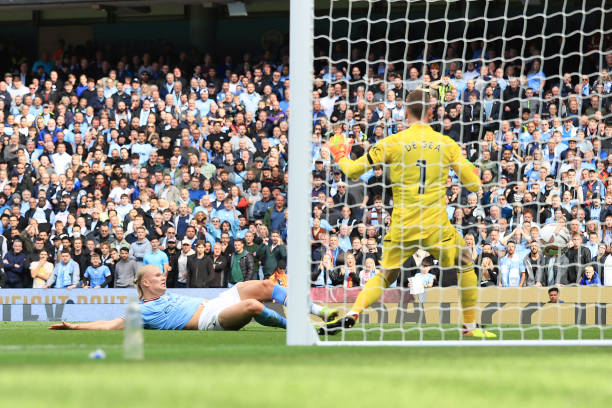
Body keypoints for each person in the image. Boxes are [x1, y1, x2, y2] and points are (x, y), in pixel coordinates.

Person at [321, 88, 495, 338]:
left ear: (405, 109)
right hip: (436, 226)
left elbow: (353, 171)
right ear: (432, 111)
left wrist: (339, 155)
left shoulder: (392, 142)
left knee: (384, 276)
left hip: (402, 226)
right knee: (466, 264)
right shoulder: (447, 144)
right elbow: (475, 184)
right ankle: (469, 327)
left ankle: (353, 313)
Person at [50, 265, 337, 331]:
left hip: (214, 304)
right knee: (253, 306)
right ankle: (303, 328)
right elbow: (111, 325)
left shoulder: (162, 291)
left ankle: (323, 312)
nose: (164, 277)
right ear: (145, 283)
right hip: (209, 320)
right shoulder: (141, 310)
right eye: (158, 276)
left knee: (262, 285)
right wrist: (74, 327)